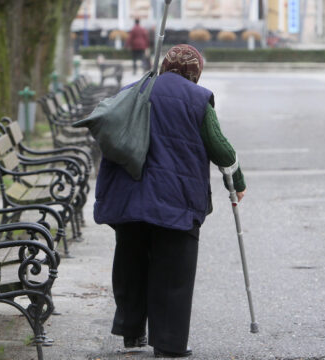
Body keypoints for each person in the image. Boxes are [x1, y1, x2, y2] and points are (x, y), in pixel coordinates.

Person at [94, 44, 247, 358]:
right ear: (195, 73)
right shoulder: (197, 98)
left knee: (131, 261)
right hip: (174, 197)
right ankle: (168, 344)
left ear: (164, 65)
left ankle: (131, 332)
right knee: (174, 268)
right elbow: (220, 148)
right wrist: (237, 181)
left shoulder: (132, 90)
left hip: (129, 195)